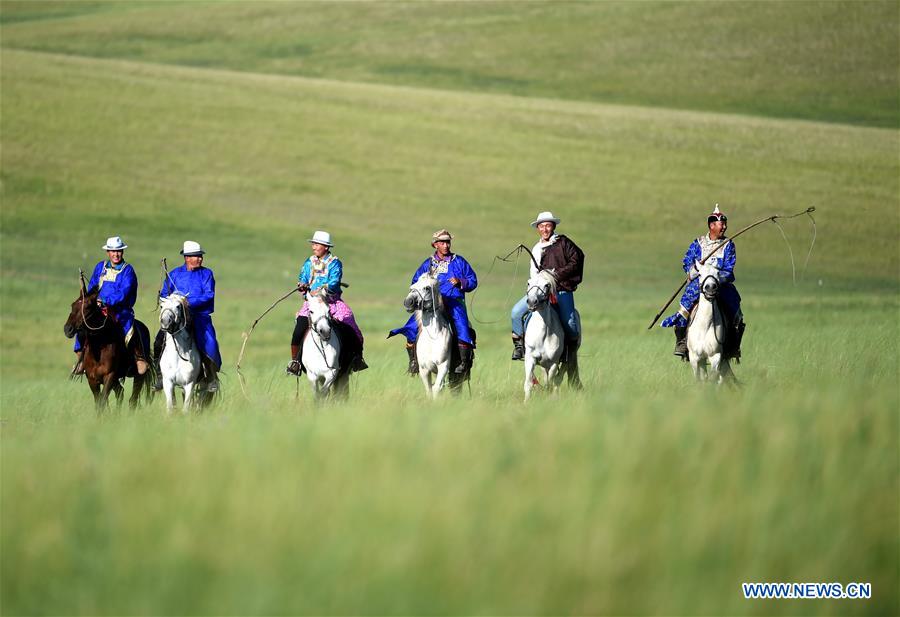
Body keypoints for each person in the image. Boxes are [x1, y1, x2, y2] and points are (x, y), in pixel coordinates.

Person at [389, 229, 478, 375]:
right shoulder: (428, 264)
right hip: (431, 305)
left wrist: (460, 282)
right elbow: (415, 282)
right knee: (410, 327)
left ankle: (463, 363)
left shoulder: (459, 262)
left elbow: (473, 280)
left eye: (448, 242)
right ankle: (413, 361)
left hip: (454, 302)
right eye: (442, 242)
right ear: (435, 245)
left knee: (462, 326)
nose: (446, 245)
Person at [661, 205, 744, 359]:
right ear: (712, 226)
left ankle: (733, 345)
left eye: (725, 224)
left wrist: (717, 277)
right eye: (722, 224)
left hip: (721, 283)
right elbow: (687, 260)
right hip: (699, 283)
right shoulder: (698, 243)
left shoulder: (728, 245)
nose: (725, 227)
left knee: (736, 312)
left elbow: (729, 267)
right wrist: (691, 269)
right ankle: (682, 342)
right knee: (684, 308)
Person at [286, 230, 367, 375]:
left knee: (351, 326)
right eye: (313, 244)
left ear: (326, 247)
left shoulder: (335, 263)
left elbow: (334, 282)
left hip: (331, 302)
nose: (314, 247)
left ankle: (357, 358)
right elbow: (303, 277)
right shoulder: (309, 262)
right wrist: (302, 284)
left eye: (317, 244)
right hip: (312, 304)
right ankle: (295, 362)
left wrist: (322, 291)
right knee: (298, 329)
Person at [510, 212, 585, 363]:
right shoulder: (536, 248)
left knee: (570, 323)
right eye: (542, 226)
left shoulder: (563, 242)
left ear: (553, 226)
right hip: (539, 291)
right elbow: (533, 274)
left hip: (561, 290)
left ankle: (568, 355)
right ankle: (520, 347)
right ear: (538, 228)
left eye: (548, 225)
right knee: (516, 313)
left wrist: (555, 275)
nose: (545, 229)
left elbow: (577, 259)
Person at [72, 236, 149, 376]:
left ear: (122, 252)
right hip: (99, 309)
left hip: (120, 309)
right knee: (81, 323)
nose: (116, 254)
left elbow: (124, 292)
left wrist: (106, 300)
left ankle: (139, 357)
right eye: (112, 251)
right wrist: (90, 300)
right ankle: (81, 358)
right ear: (108, 252)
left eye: (118, 251)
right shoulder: (100, 267)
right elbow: (92, 287)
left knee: (129, 328)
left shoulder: (128, 271)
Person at [152, 240, 222, 392]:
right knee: (158, 341)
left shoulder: (207, 274)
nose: (200, 258)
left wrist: (187, 301)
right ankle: (158, 375)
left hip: (199, 316)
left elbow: (209, 295)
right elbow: (164, 294)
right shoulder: (174, 274)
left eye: (200, 256)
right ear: (187, 258)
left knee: (210, 343)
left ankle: (210, 377)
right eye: (196, 256)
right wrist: (173, 301)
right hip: (177, 318)